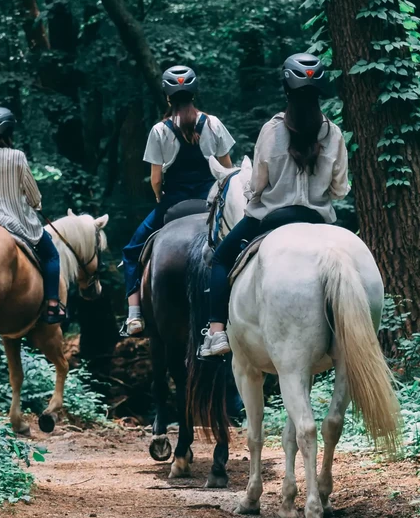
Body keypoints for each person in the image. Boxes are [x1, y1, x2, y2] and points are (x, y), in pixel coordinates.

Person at [200, 53, 350, 357]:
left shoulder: (272, 130)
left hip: (271, 219)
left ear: (286, 89)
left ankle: (216, 332)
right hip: (319, 221)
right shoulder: (333, 133)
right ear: (320, 91)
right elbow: (340, 189)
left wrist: (255, 193)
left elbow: (257, 185)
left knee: (220, 259)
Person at [122, 65, 236, 336]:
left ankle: (134, 315)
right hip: (210, 205)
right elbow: (228, 170)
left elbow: (156, 178)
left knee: (130, 251)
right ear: (194, 93)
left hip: (173, 203)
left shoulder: (159, 130)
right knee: (237, 247)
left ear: (168, 96)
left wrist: (161, 198)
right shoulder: (213, 123)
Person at [0, 106, 65, 324]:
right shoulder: (17, 156)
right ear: (9, 130)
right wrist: (37, 204)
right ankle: (53, 305)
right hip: (14, 223)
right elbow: (33, 195)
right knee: (52, 254)